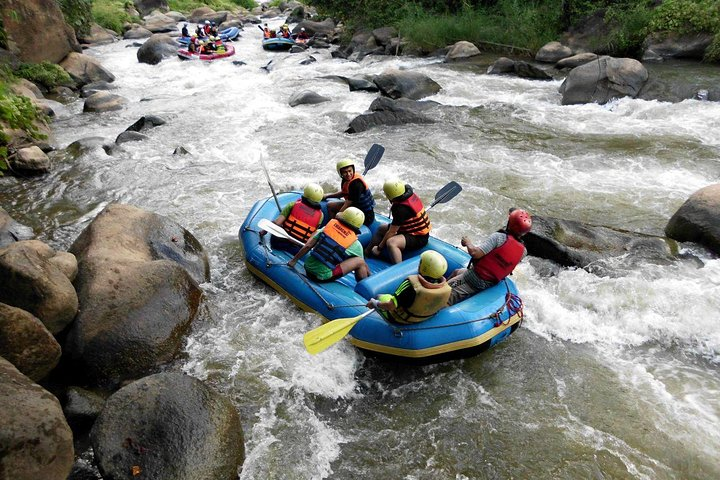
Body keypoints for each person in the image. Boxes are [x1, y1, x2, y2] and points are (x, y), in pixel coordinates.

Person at [447, 209, 532, 306]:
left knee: (443, 294)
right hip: (490, 283)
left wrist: (467, 242)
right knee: (456, 272)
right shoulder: (523, 251)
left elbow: (475, 253)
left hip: (474, 279)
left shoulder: (499, 238)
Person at [366, 250, 451, 324]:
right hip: (424, 316)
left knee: (379, 296)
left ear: (424, 268)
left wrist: (375, 303)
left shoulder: (411, 285)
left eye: (421, 262)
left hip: (400, 319)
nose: (419, 264)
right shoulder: (443, 287)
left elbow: (391, 306)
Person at [288, 207, 369, 282]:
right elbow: (363, 265)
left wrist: (293, 261)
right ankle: (364, 286)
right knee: (360, 261)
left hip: (307, 267)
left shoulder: (326, 228)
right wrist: (370, 275)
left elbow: (308, 246)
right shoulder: (355, 244)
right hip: (323, 276)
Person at [366, 180, 431, 264]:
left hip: (419, 238)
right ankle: (367, 253)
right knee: (381, 228)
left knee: (391, 242)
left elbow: (392, 232)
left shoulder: (400, 209)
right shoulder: (409, 195)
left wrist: (379, 248)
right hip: (411, 231)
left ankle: (398, 269)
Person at [260, 183, 324, 253]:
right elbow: (312, 235)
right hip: (298, 249)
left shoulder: (293, 205)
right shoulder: (321, 216)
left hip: (280, 242)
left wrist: (264, 231)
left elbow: (277, 223)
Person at [323, 158, 376, 227]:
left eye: (349, 171)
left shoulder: (356, 184)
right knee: (330, 206)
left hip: (365, 215)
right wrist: (327, 196)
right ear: (340, 173)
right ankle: (330, 226)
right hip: (354, 207)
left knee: (338, 216)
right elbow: (344, 193)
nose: (348, 174)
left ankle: (333, 226)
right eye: (345, 172)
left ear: (353, 170)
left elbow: (348, 203)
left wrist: (338, 215)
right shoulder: (346, 180)